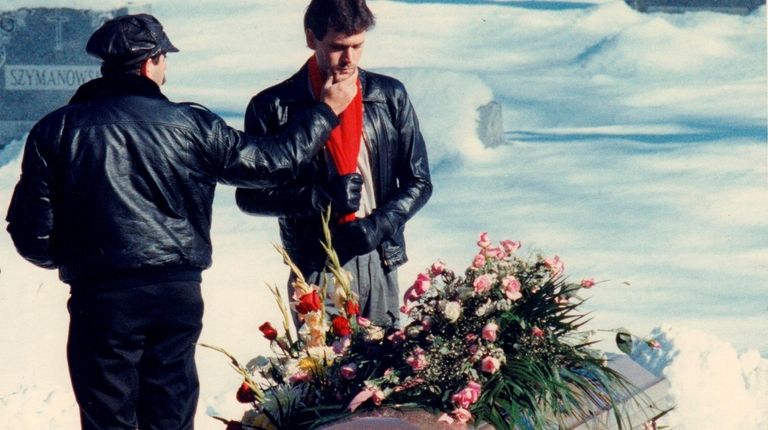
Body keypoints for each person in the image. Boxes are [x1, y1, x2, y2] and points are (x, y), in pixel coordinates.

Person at [5, 13, 357, 430]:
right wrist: (326, 112)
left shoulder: (56, 130)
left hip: (101, 298)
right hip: (175, 293)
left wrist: (81, 260)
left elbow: (31, 234)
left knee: (108, 419)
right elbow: (270, 161)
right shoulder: (190, 125)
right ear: (150, 62)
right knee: (170, 418)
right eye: (163, 57)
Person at [235, 0, 432, 327]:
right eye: (338, 47)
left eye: (358, 45)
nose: (349, 58)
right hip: (316, 262)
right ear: (312, 39)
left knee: (384, 371)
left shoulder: (388, 95)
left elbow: (419, 181)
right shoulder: (273, 105)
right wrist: (319, 198)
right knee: (322, 372)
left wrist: (380, 225)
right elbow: (250, 196)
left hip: (378, 255)